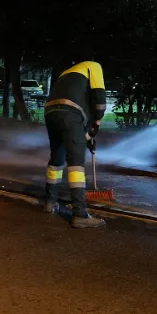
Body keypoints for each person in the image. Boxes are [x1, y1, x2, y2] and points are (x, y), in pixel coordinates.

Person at [43, 60, 108, 228]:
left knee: (56, 159)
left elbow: (78, 130)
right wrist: (98, 120)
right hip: (70, 114)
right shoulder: (93, 66)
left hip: (51, 112)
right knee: (76, 164)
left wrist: (88, 138)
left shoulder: (68, 74)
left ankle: (50, 202)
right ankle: (80, 214)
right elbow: (99, 98)